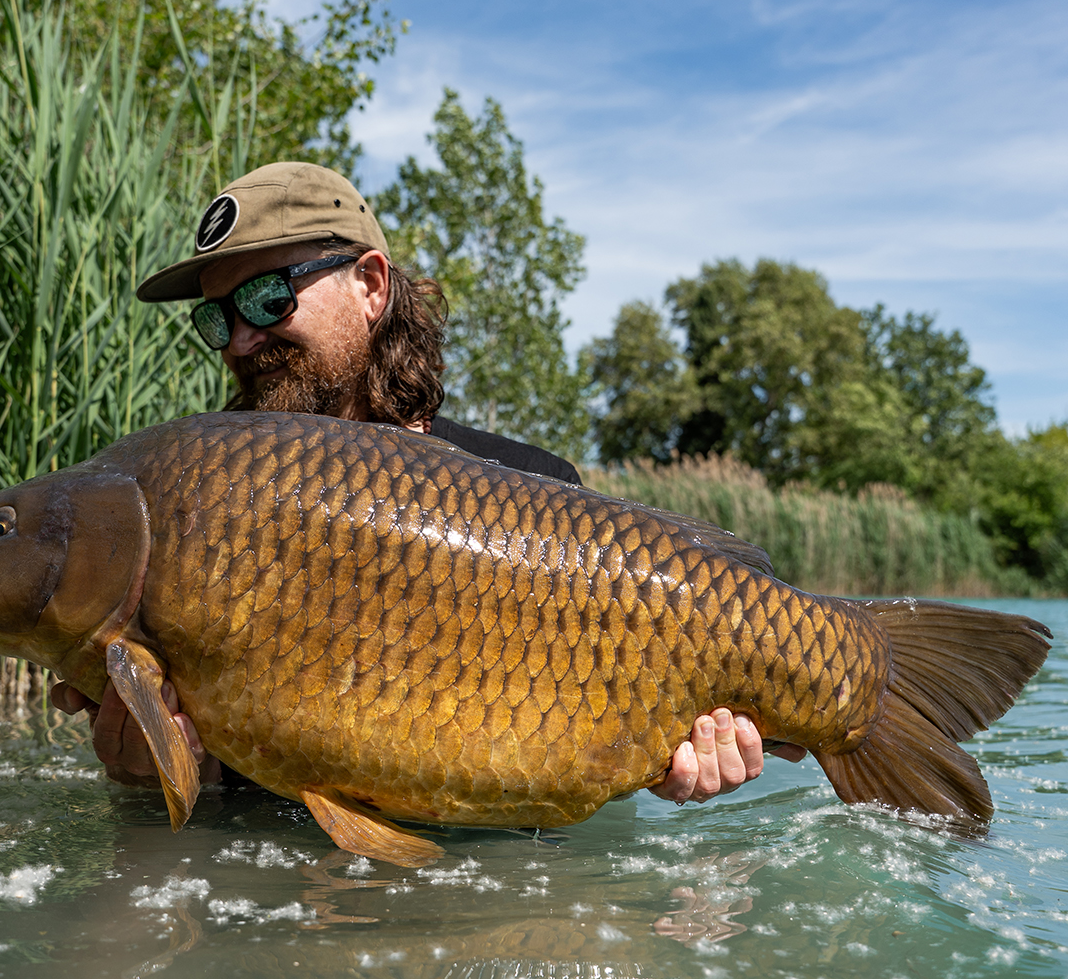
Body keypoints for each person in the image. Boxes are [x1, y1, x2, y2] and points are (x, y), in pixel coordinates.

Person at [52, 161, 804, 805]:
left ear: (371, 286)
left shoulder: (535, 484)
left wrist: (669, 765)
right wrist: (162, 775)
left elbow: (585, 776)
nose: (243, 340)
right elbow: (215, 797)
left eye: (268, 297)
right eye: (218, 320)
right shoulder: (189, 518)